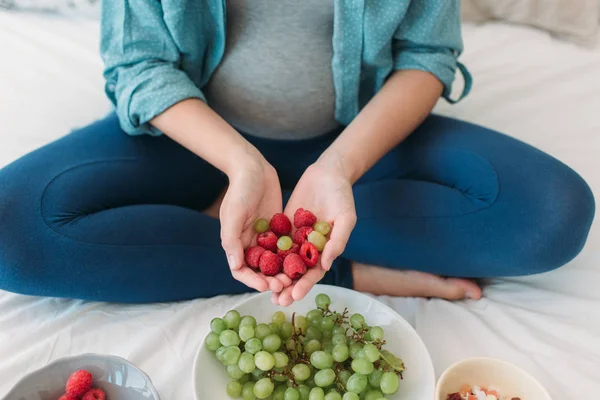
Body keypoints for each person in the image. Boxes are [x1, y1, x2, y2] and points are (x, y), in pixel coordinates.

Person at [0, 0, 594, 306]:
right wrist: (240, 164)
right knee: (11, 231)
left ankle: (267, 238)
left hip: (358, 138)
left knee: (553, 214)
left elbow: (427, 56)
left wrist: (338, 166)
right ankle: (345, 270)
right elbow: (137, 66)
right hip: (198, 138)